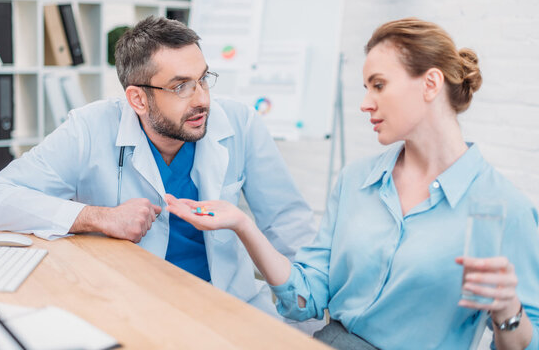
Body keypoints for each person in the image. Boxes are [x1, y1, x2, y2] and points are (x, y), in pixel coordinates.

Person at [166, 18, 539, 349]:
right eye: (366, 87)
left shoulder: (506, 209)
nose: (365, 103)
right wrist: (242, 224)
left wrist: (509, 310)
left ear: (430, 83)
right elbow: (307, 297)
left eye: (379, 85)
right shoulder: (356, 181)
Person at [0, 16, 318, 318]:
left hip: (228, 307)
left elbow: (288, 224)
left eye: (203, 79)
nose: (202, 99)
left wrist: (311, 317)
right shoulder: (89, 128)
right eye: (181, 86)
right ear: (138, 99)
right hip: (131, 307)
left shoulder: (240, 122)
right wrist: (98, 217)